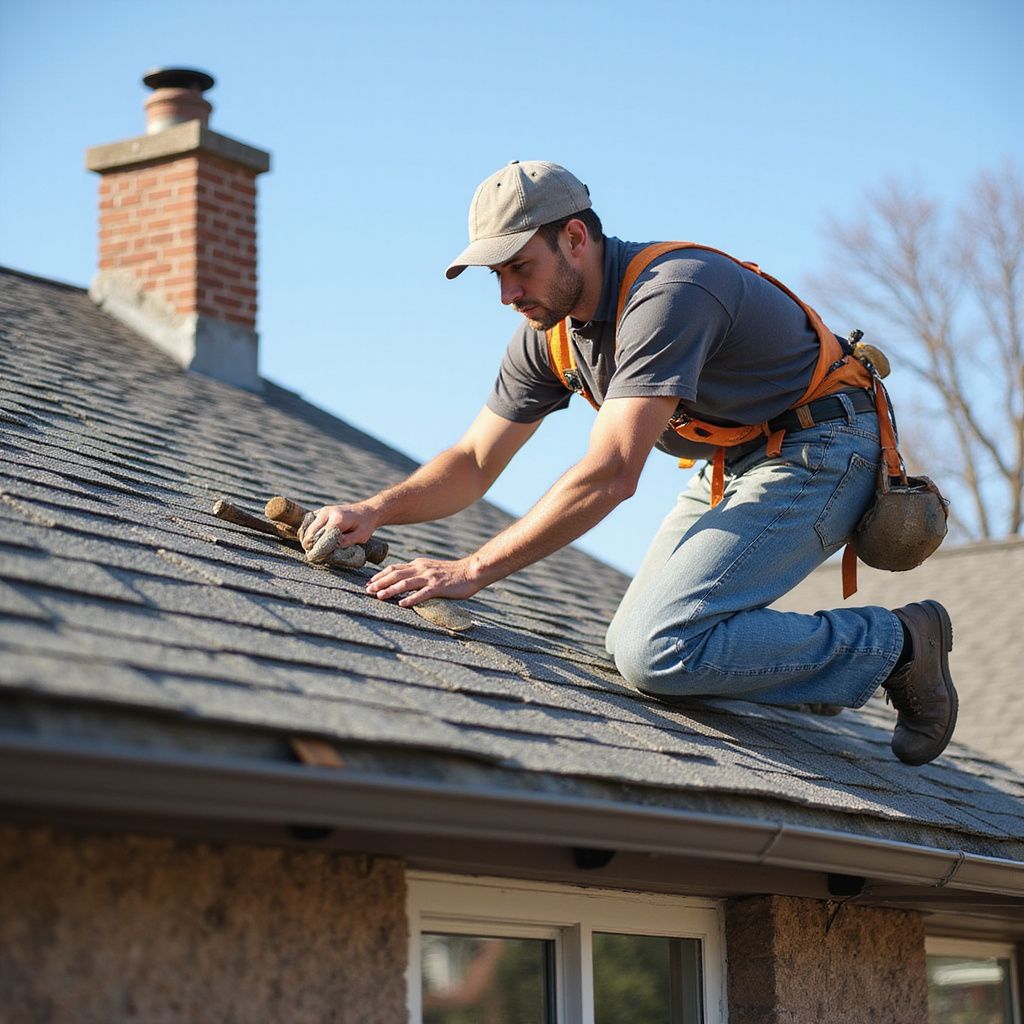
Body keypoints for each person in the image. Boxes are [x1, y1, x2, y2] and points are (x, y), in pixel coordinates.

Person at [302, 160, 957, 766]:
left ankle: (898, 644)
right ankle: (810, 675)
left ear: (576, 239)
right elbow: (474, 461)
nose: (506, 293)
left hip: (826, 444)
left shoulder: (670, 293)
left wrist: (472, 568)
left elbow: (613, 472)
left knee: (656, 648)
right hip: (733, 457)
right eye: (494, 275)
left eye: (518, 267)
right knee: (631, 647)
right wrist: (373, 509)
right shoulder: (547, 339)